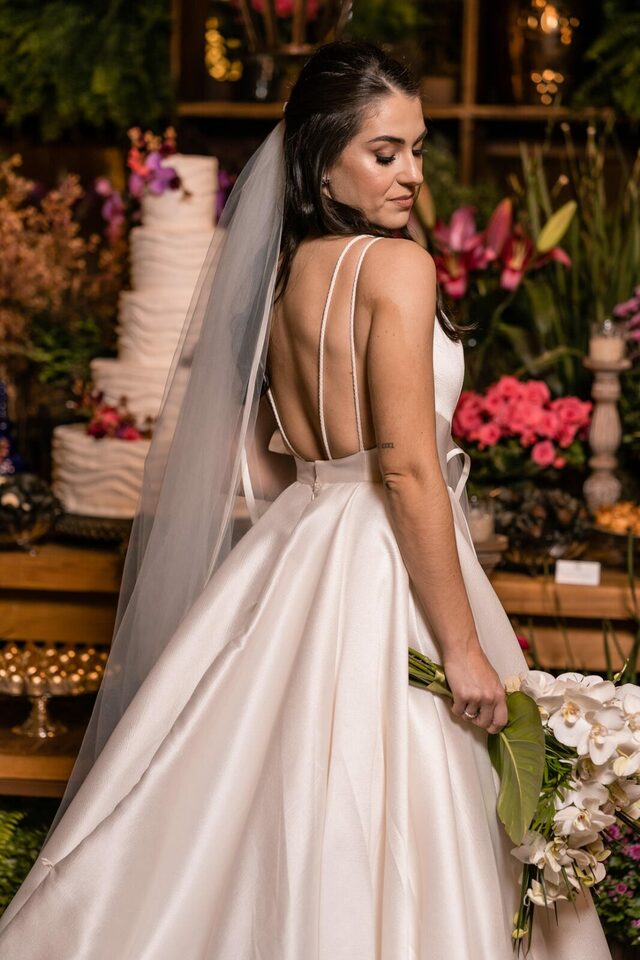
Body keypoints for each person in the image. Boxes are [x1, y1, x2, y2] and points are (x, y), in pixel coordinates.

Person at [0, 40, 612, 959]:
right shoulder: (396, 268)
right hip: (387, 551)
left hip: (300, 539)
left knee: (248, 802)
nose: (412, 173)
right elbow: (407, 471)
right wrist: (461, 650)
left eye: (417, 149)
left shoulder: (287, 275)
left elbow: (270, 457)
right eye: (384, 152)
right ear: (323, 162)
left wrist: (321, 535)